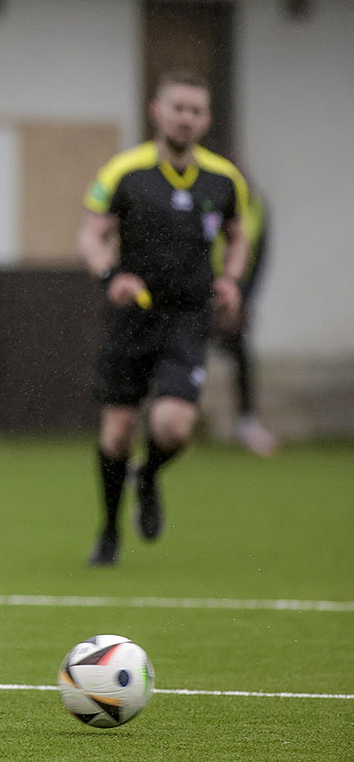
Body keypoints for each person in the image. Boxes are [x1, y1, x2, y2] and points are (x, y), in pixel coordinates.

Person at [78, 70, 249, 567]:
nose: (186, 118)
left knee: (173, 427)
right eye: (178, 108)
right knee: (117, 434)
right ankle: (109, 531)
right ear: (157, 112)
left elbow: (238, 236)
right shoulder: (124, 172)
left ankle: (148, 475)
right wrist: (111, 274)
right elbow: (91, 235)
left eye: (196, 110)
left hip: (189, 316)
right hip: (133, 316)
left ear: (207, 119)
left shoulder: (224, 179)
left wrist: (231, 279)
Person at [210, 177, 278, 456]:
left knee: (241, 356)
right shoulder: (206, 197)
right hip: (198, 292)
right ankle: (173, 425)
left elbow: (259, 257)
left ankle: (247, 423)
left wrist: (242, 300)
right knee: (180, 354)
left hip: (235, 294)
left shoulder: (256, 205)